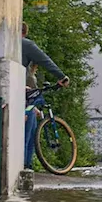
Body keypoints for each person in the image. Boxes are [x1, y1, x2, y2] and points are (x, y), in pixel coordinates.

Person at [22, 22, 69, 168]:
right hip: (23, 97)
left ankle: (27, 166)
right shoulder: (25, 44)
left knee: (31, 134)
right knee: (27, 136)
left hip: (24, 95)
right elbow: (45, 60)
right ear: (24, 32)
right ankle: (24, 168)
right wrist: (62, 77)